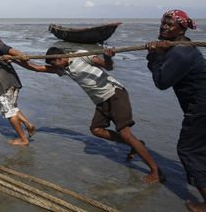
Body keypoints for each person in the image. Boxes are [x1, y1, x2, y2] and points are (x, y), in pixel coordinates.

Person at [24, 46, 163, 184]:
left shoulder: (81, 55)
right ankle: (136, 144)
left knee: (125, 133)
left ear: (60, 58)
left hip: (115, 93)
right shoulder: (64, 69)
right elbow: (36, 68)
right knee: (96, 130)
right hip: (101, 101)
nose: (56, 67)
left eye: (54, 63)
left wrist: (108, 57)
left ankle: (156, 170)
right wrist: (12, 60)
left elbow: (108, 67)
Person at [146, 9, 206, 210]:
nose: (164, 26)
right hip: (200, 106)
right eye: (163, 23)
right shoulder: (178, 47)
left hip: (200, 108)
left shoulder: (181, 52)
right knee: (200, 150)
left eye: (169, 24)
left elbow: (161, 82)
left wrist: (158, 54)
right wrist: (155, 54)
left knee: (188, 150)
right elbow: (160, 69)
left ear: (181, 28)